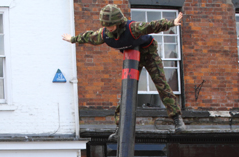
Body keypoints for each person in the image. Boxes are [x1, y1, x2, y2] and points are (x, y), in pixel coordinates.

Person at [62, 4, 186, 135]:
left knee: (161, 83)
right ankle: (120, 128)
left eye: (111, 25)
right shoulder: (105, 35)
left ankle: (177, 118)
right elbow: (89, 37)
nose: (108, 28)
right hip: (131, 57)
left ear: (118, 23)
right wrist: (73, 39)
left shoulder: (132, 28)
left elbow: (152, 26)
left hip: (148, 53)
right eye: (106, 25)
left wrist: (171, 22)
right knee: (126, 90)